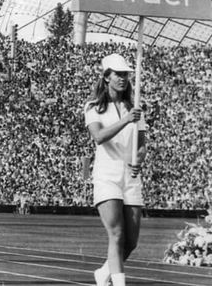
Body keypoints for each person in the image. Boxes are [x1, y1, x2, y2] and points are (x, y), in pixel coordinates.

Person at [84, 54, 146, 286]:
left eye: (125, 75)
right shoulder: (93, 107)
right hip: (107, 176)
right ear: (106, 77)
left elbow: (142, 146)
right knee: (117, 234)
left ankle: (104, 273)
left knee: (131, 241)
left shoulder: (135, 109)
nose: (123, 78)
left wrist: (139, 159)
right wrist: (126, 120)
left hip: (130, 177)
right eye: (118, 74)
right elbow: (99, 136)